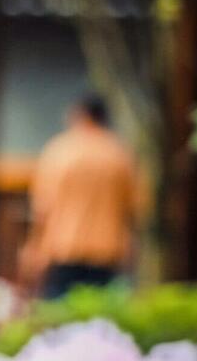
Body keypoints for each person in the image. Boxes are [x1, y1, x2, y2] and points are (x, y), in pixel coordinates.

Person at [22, 94, 141, 299]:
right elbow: (134, 207)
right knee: (100, 317)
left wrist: (33, 247)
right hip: (108, 249)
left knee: (58, 315)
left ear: (80, 115)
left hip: (63, 247)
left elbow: (42, 207)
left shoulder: (60, 151)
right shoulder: (119, 154)